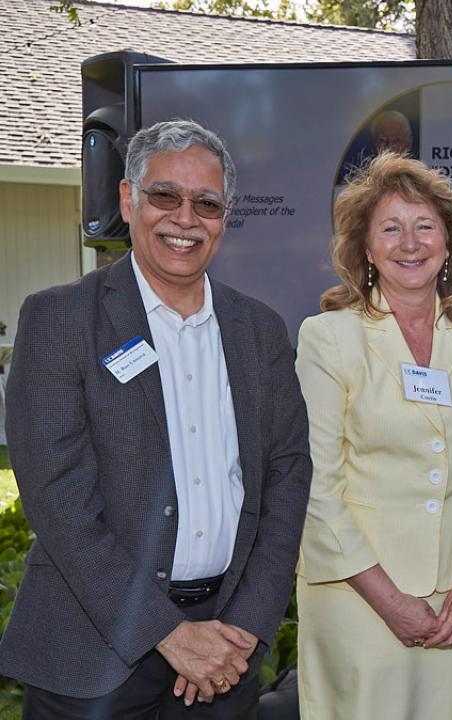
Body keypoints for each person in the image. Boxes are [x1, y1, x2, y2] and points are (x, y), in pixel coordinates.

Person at [0, 119, 311, 716]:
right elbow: (57, 499)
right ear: (128, 199)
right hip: (92, 654)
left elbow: (288, 475)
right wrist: (165, 632)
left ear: (227, 216)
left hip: (225, 648)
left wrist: (246, 626)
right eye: (165, 195)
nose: (185, 218)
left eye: (207, 203)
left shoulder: (260, 331)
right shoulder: (61, 320)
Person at [293, 152, 452, 720]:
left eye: (425, 226)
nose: (410, 243)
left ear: (448, 244)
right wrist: (389, 600)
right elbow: (317, 485)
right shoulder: (328, 339)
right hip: (358, 597)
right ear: (366, 249)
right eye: (391, 229)